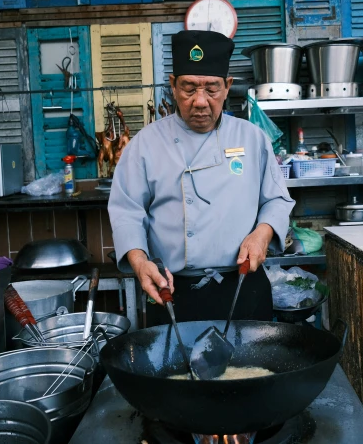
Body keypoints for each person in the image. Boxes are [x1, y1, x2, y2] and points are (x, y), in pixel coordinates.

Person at [108, 30, 295, 326]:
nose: (200, 101)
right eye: (189, 88)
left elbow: (276, 199)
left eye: (211, 89)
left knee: (250, 371)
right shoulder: (145, 144)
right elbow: (126, 212)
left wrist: (263, 234)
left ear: (228, 86)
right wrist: (140, 261)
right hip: (170, 290)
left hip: (243, 287)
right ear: (172, 85)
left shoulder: (252, 138)